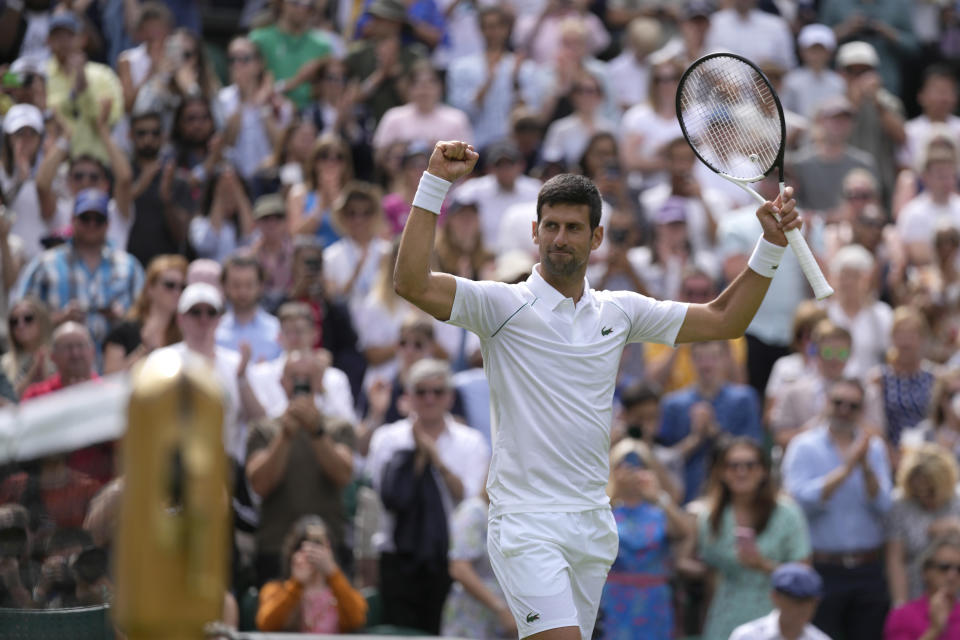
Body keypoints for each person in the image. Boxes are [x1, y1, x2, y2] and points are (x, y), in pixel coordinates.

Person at [392, 140, 801, 639]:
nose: (560, 238)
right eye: (551, 227)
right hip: (526, 523)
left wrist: (772, 245)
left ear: (597, 236)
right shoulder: (498, 306)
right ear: (535, 232)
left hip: (591, 523)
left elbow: (725, 319)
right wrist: (434, 183)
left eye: (573, 228)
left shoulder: (620, 310)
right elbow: (411, 282)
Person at [366, 358, 490, 634]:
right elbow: (383, 495)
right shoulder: (388, 439)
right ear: (408, 396)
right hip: (397, 556)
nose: (430, 399)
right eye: (421, 392)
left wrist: (435, 460)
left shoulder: (471, 441)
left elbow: (468, 501)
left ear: (450, 396)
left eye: (438, 391)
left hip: (448, 557)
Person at [782, 378, 893, 640]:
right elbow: (799, 502)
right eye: (838, 402)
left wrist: (865, 468)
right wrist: (845, 470)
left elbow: (884, 505)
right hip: (823, 568)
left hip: (868, 568)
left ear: (861, 411)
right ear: (825, 403)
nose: (844, 409)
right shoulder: (803, 446)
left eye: (853, 405)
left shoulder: (874, 448)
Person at [245, 350, 355, 585]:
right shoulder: (263, 430)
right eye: (294, 376)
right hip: (275, 547)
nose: (301, 383)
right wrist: (284, 437)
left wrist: (316, 432)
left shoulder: (338, 428)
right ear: (282, 382)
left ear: (320, 382)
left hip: (328, 547)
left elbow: (343, 475)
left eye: (308, 376)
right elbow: (260, 485)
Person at [696, 438, 812, 640]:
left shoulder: (787, 513)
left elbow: (804, 575)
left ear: (763, 471)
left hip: (774, 616)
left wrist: (763, 565)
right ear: (722, 472)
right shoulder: (710, 516)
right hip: (725, 615)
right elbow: (710, 575)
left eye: (750, 465)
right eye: (733, 466)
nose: (742, 472)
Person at [13, 189, 145, 351]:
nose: (91, 224)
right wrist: (59, 318)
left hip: (118, 368)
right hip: (58, 366)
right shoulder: (45, 265)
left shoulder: (129, 266)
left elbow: (147, 318)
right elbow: (19, 319)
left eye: (98, 219)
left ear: (108, 224)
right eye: (85, 218)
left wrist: (123, 318)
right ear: (72, 220)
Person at [599, 438, 691, 640]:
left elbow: (685, 532)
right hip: (616, 599)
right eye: (623, 465)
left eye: (637, 465)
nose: (631, 472)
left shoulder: (658, 511)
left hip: (654, 600)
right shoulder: (606, 510)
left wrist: (658, 495)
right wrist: (614, 489)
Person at [658, 340, 763, 503]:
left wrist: (715, 432)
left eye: (713, 357)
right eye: (700, 358)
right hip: (685, 496)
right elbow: (662, 462)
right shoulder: (672, 404)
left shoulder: (744, 399)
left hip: (733, 499)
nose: (706, 365)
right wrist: (694, 439)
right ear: (690, 360)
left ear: (725, 359)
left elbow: (754, 451)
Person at [255, 515, 367, 633]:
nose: (311, 553)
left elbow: (357, 620)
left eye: (318, 545)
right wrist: (296, 584)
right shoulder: (276, 589)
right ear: (292, 553)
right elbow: (265, 624)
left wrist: (333, 573)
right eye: (303, 547)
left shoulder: (341, 589)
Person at [886, 444, 960, 607]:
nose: (925, 498)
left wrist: (955, 527)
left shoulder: (957, 501)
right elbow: (895, 559)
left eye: (931, 491)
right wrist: (900, 604)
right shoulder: (901, 505)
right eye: (919, 492)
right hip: (916, 591)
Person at [441, 488, 516, 640]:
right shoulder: (474, 511)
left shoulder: (508, 514)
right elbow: (459, 568)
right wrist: (500, 608)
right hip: (473, 618)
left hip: (501, 620)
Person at [102, 254, 187, 374]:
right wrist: (144, 349)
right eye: (170, 285)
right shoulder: (123, 331)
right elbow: (110, 380)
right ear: (150, 288)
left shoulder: (185, 333)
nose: (177, 292)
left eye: (183, 287)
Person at [249, 0, 331, 109]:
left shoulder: (322, 46)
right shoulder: (258, 40)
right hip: (266, 112)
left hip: (309, 116)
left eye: (308, 5)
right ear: (281, 3)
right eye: (296, 2)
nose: (302, 9)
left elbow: (326, 92)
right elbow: (248, 87)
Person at [884, 533, 960, 639]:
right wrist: (935, 630)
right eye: (944, 567)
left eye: (959, 569)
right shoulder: (902, 615)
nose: (952, 575)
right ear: (926, 571)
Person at [729, 563, 831, 640]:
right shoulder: (747, 636)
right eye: (796, 600)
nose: (803, 608)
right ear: (775, 597)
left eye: (809, 601)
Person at [215, 253, 281, 366]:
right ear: (225, 286)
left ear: (260, 286)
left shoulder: (277, 329)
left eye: (249, 285)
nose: (242, 292)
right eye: (236, 285)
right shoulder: (213, 330)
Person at [1, 296, 56, 398]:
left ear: (42, 322)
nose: (20, 325)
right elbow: (7, 400)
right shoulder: (5, 363)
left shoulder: (58, 354)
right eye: (14, 321)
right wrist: (32, 375)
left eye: (28, 318)